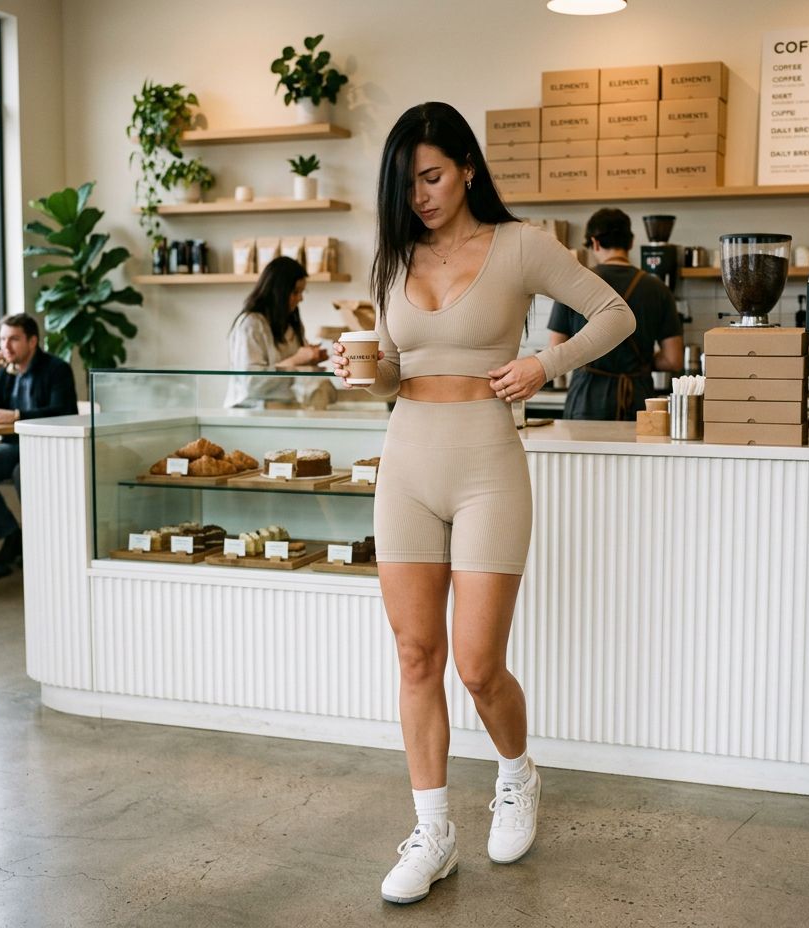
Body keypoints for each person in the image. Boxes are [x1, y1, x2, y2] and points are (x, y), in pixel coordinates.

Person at [332, 102, 634, 905]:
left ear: (467, 164)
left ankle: (516, 775)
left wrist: (548, 362)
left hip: (487, 464)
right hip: (406, 461)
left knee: (476, 663)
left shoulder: (521, 245)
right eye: (407, 184)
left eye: (431, 176)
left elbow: (617, 312)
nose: (421, 196)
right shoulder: (392, 259)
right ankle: (432, 831)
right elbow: (395, 369)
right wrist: (360, 371)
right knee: (415, 655)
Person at [0, 313, 77, 566]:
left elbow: (64, 413)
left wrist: (16, 415)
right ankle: (12, 535)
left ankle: (41, 544)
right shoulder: (3, 372)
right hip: (14, 446)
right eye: (3, 339)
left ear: (32, 341)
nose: (6, 346)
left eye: (14, 339)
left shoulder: (56, 369)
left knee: (21, 472)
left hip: (49, 448)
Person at [547, 208, 683, 420]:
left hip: (587, 399)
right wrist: (641, 361)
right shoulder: (658, 289)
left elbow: (556, 350)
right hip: (639, 399)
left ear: (595, 243)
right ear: (630, 243)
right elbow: (673, 360)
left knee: (584, 455)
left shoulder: (573, 283)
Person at [223, 256, 329, 409]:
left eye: (302, 292)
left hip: (283, 408)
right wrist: (296, 360)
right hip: (249, 411)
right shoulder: (251, 324)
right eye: (295, 292)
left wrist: (310, 359)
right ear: (278, 291)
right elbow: (252, 384)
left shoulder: (292, 323)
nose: (300, 298)